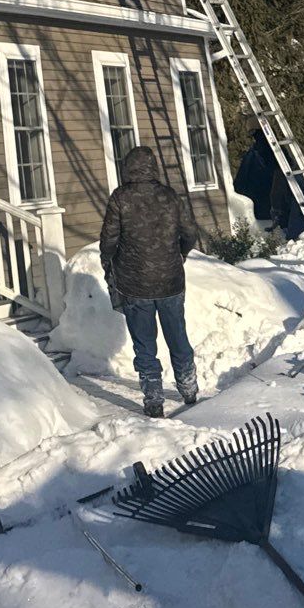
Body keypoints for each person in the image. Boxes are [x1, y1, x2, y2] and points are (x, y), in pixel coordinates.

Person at [99, 145, 201, 417]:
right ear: (153, 167)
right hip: (170, 282)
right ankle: (188, 387)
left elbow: (109, 239)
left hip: (134, 285)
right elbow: (190, 232)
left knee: (144, 344)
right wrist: (179, 253)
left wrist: (107, 262)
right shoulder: (170, 196)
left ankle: (154, 397)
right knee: (177, 335)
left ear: (127, 168)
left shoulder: (120, 197)